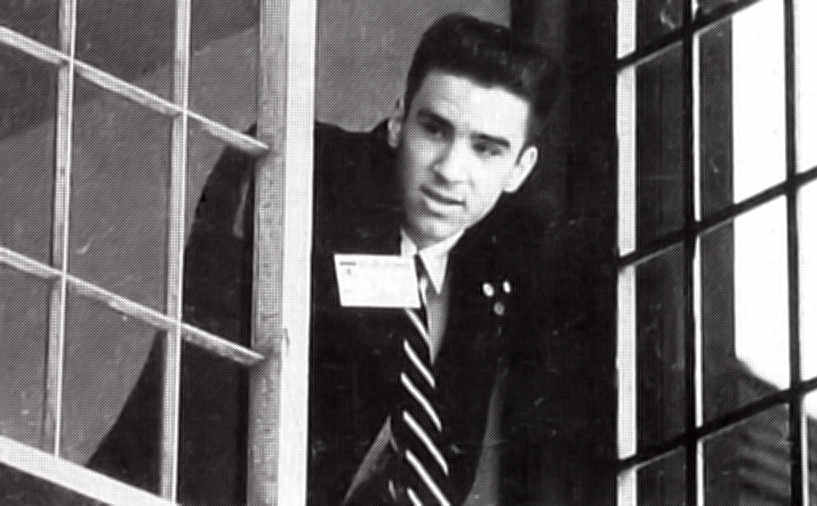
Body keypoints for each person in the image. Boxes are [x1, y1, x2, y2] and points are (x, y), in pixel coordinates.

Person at [91, 12, 584, 505]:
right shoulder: (306, 169)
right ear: (398, 121)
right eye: (435, 130)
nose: (451, 170)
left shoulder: (494, 273)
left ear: (520, 169)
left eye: (487, 150)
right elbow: (204, 392)